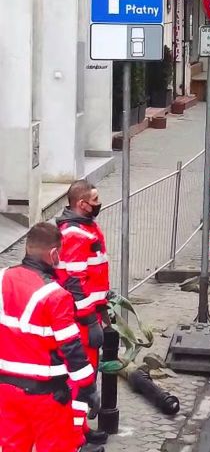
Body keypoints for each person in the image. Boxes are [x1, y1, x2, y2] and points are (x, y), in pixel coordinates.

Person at [0, 223, 101, 452]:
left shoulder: (1, 278)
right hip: (46, 395)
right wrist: (87, 387)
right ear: (54, 254)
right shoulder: (56, 296)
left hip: (5, 390)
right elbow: (72, 349)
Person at [55, 180, 111, 447]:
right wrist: (90, 319)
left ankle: (81, 429)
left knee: (83, 376)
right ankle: (75, 437)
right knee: (81, 377)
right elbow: (74, 281)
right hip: (80, 320)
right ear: (82, 204)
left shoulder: (84, 228)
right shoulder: (76, 234)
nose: (99, 203)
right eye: (95, 199)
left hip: (89, 314)